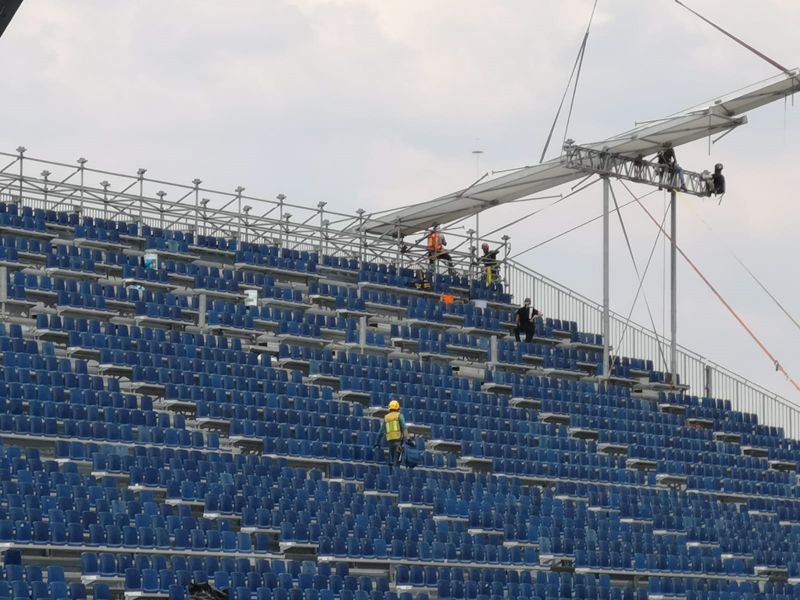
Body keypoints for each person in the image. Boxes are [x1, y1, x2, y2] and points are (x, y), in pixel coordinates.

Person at [374, 399, 406, 469]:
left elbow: (381, 432)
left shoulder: (386, 417)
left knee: (391, 459)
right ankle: (395, 475)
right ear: (398, 408)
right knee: (397, 461)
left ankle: (391, 473)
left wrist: (377, 442)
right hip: (398, 442)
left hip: (390, 442)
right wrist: (408, 440)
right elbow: (404, 428)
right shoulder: (399, 415)